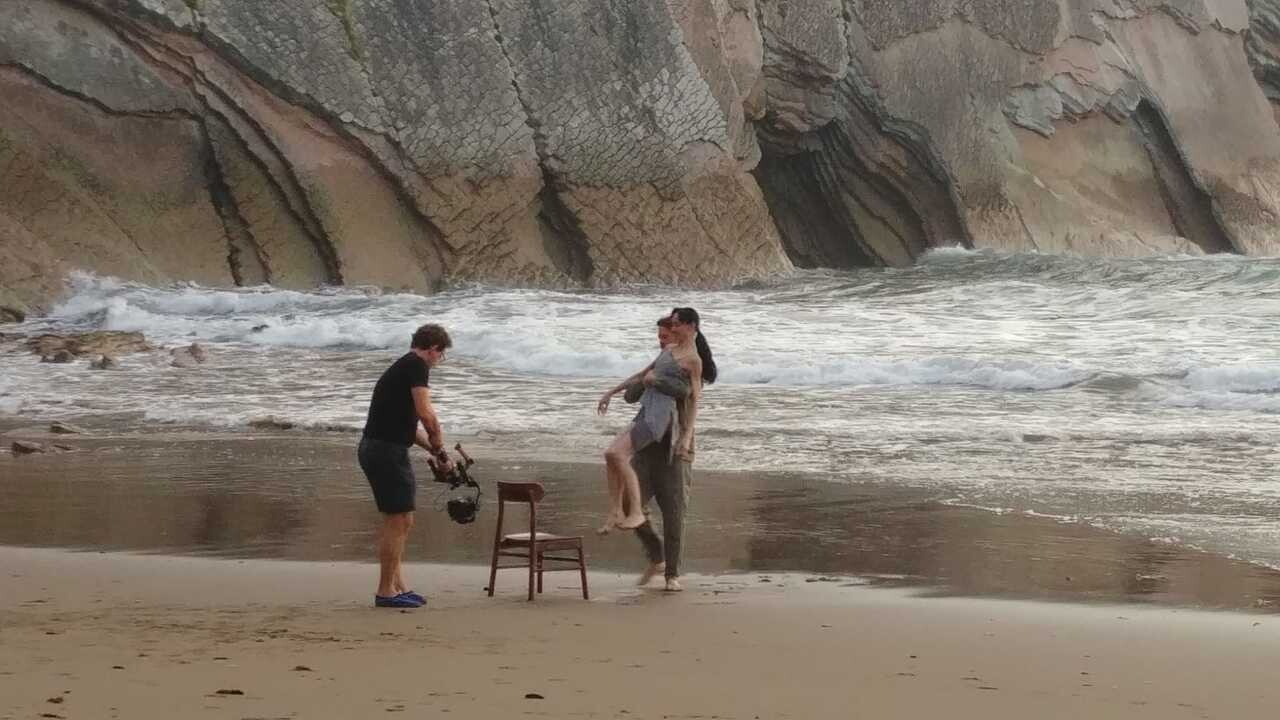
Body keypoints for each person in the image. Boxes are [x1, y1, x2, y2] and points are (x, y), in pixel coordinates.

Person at [357, 323, 453, 609]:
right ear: (433, 349)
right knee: (396, 521)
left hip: (382, 449)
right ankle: (385, 591)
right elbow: (427, 415)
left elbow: (408, 428)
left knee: (402, 520)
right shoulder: (416, 365)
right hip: (385, 451)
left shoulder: (404, 367)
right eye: (441, 354)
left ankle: (399, 586)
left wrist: (437, 452)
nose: (439, 360)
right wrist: (438, 440)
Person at [633, 307, 717, 591]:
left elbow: (693, 405)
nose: (661, 340)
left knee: (674, 513)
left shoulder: (691, 364)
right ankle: (656, 554)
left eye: (667, 333)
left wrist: (686, 439)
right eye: (659, 335)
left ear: (685, 330)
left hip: (675, 447)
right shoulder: (663, 359)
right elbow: (635, 393)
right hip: (647, 444)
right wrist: (629, 386)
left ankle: (672, 574)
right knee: (630, 504)